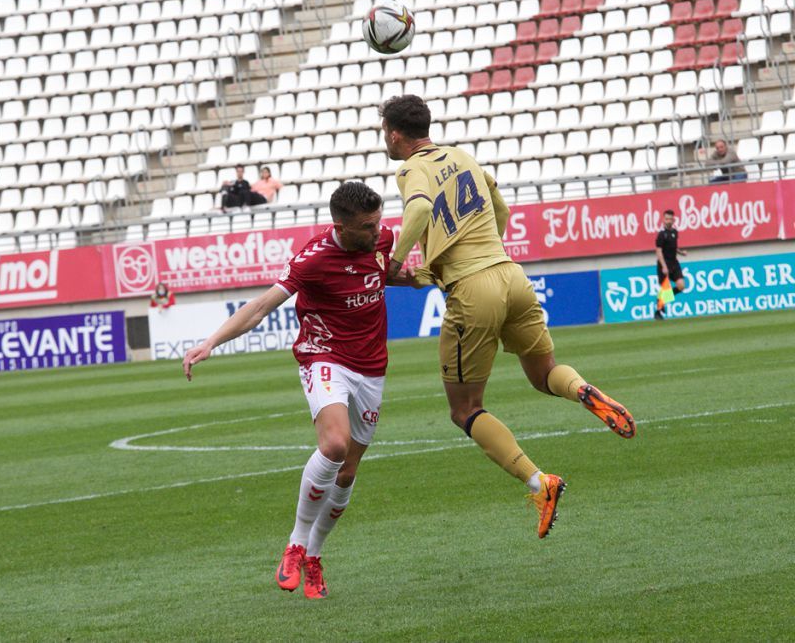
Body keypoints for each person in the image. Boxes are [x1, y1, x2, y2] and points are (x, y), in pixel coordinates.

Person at [379, 94, 636, 539]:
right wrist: (483, 252)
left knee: (464, 410)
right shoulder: (464, 156)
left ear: (394, 134)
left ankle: (541, 483)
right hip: (511, 274)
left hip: (472, 290)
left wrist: (393, 260)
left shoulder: (409, 168)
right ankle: (583, 389)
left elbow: (420, 209)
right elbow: (503, 211)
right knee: (545, 374)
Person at [183, 181, 413, 599]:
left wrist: (418, 278)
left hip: (372, 367)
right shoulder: (313, 260)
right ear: (340, 226)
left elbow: (385, 273)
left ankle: (315, 557)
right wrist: (210, 342)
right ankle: (295, 542)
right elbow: (259, 307)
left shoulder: (381, 239)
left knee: (347, 472)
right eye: (367, 226)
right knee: (335, 445)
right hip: (324, 356)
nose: (378, 231)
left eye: (379, 221)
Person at [654, 209, 688, 320]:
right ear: (663, 220)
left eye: (670, 219)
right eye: (666, 219)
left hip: (674, 262)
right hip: (664, 264)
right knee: (665, 289)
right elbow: (658, 251)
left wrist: (680, 252)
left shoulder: (675, 232)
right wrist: (663, 266)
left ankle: (661, 300)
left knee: (681, 286)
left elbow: (673, 247)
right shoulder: (661, 235)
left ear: (673, 220)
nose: (668, 221)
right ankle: (658, 312)